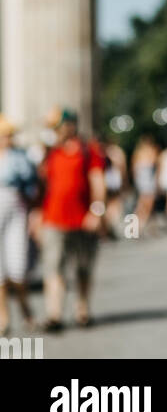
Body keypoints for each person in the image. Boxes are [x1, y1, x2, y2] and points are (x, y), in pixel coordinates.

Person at [38, 109, 106, 331]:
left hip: (82, 220)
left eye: (58, 127)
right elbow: (42, 188)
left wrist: (96, 211)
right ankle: (54, 315)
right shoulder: (49, 153)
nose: (55, 132)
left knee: (83, 268)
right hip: (53, 220)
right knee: (53, 267)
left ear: (70, 126)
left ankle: (82, 310)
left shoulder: (88, 151)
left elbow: (97, 181)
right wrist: (37, 215)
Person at [0, 115, 38, 335]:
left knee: (17, 265)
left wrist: (34, 214)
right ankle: (3, 316)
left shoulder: (20, 158)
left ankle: (25, 308)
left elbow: (31, 187)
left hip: (16, 208)